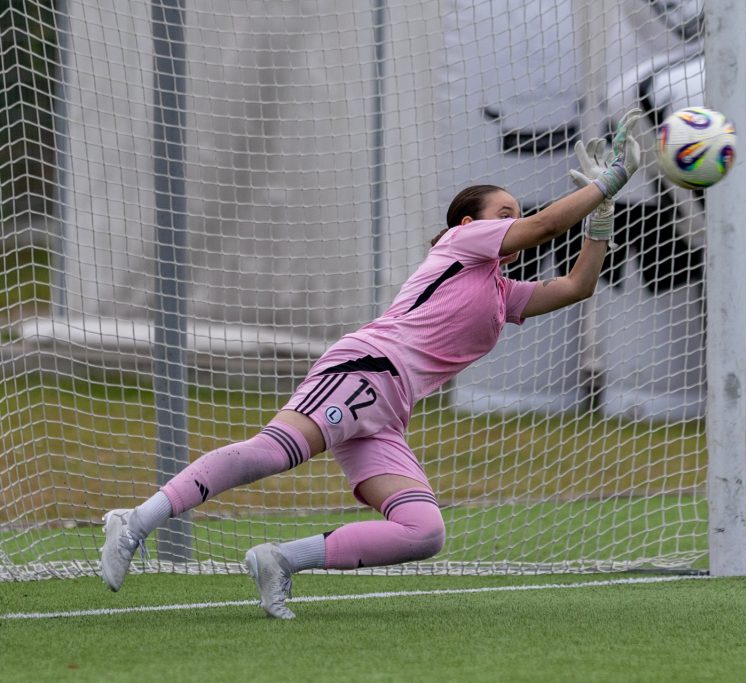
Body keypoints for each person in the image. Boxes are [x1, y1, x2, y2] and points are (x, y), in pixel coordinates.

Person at [100, 110, 643, 619]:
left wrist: (600, 216)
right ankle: (135, 522)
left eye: (516, 215)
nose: (515, 222)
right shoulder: (462, 243)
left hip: (389, 411)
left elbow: (577, 286)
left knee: (423, 530)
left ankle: (280, 560)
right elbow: (545, 227)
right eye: (505, 214)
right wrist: (610, 179)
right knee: (272, 452)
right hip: (366, 369)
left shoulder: (502, 293)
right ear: (469, 222)